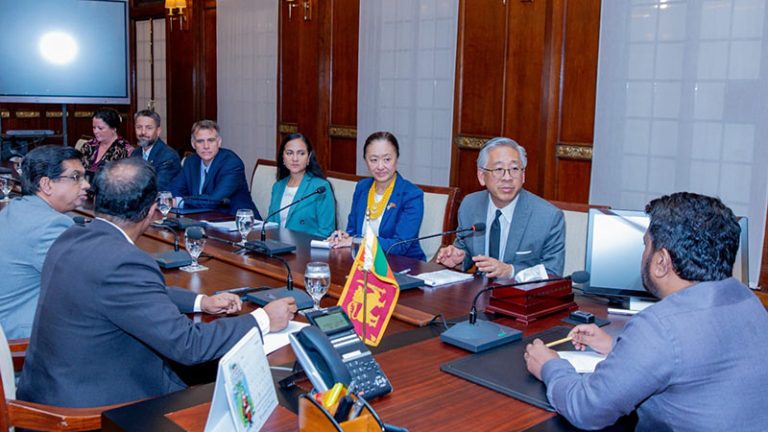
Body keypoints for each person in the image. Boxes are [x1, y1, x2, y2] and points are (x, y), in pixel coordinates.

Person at [17, 157, 296, 408]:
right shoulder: (124, 263)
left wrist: (202, 301)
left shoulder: (72, 236)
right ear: (152, 211)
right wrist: (263, 319)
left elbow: (129, 293)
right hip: (97, 407)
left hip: (48, 388)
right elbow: (189, 346)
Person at [524, 192, 768, 431]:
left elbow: (587, 409)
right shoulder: (749, 301)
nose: (643, 255)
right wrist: (618, 347)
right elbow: (697, 355)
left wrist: (550, 366)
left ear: (661, 262)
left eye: (646, 245)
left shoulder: (659, 326)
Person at [435, 137, 564, 278]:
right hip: (477, 294)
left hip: (520, 296)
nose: (507, 177)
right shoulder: (470, 205)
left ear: (523, 175)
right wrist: (457, 259)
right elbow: (465, 250)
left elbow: (553, 272)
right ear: (481, 176)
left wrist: (511, 271)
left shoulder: (548, 217)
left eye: (514, 169)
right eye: (499, 169)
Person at [0, 146, 90, 339]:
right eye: (76, 177)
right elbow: (87, 282)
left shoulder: (16, 208)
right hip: (24, 340)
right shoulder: (50, 225)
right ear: (46, 184)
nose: (86, 185)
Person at [327, 131, 425, 260]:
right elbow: (352, 231)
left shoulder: (411, 195)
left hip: (403, 266)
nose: (380, 166)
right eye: (373, 160)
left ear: (397, 159)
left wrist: (356, 241)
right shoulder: (362, 187)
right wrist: (343, 236)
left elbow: (400, 245)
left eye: (387, 159)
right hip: (364, 262)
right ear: (366, 161)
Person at [168, 120, 259, 216]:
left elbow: (215, 200)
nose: (206, 146)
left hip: (240, 224)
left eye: (211, 140)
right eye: (200, 141)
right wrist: (166, 199)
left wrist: (179, 202)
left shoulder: (232, 163)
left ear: (219, 142)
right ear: (193, 144)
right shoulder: (191, 162)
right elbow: (174, 189)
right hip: (204, 220)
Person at [267, 133, 335, 238]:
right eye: (289, 153)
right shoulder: (277, 186)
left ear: (309, 157)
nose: (295, 158)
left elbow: (326, 232)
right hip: (277, 248)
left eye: (301, 153)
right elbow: (270, 225)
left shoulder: (320, 187)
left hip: (306, 250)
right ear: (283, 158)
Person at [131, 109, 181, 190]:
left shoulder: (168, 156)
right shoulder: (136, 153)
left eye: (149, 128)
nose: (143, 132)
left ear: (158, 131)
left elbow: (156, 188)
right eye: (139, 127)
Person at [80, 108, 133, 175]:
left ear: (114, 129)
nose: (95, 131)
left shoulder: (125, 150)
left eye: (100, 128)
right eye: (94, 127)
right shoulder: (89, 145)